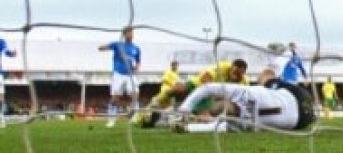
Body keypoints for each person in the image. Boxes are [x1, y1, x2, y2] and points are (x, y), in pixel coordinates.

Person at [173, 69, 315, 133]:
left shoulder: (242, 126)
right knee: (266, 76)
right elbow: (207, 88)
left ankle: (268, 78)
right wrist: (184, 111)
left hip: (300, 121)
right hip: (298, 98)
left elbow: (214, 127)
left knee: (267, 79)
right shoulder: (242, 92)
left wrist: (188, 126)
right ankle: (268, 77)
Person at [98, 26, 141, 128]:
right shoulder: (118, 45)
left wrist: (137, 67)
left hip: (130, 75)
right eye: (129, 32)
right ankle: (111, 120)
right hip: (118, 74)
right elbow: (101, 48)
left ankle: (134, 117)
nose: (131, 34)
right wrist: (103, 47)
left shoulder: (136, 48)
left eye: (132, 32)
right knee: (115, 98)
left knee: (135, 95)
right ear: (124, 34)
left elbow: (138, 61)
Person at [0, 36, 17, 128]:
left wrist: (12, 54)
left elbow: (6, 51)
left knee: (1, 95)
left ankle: (1, 117)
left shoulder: (0, 41)